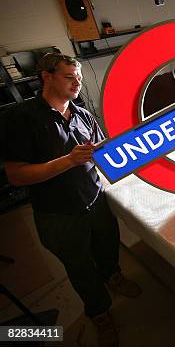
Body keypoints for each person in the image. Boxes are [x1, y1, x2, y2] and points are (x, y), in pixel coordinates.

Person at [0, 53, 140, 347]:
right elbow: (17, 175)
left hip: (96, 201)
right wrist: (67, 162)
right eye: (69, 77)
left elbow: (102, 156)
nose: (77, 82)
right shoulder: (20, 118)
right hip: (58, 214)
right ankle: (99, 313)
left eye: (78, 77)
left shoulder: (83, 115)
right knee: (80, 268)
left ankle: (113, 276)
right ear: (46, 77)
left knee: (107, 248)